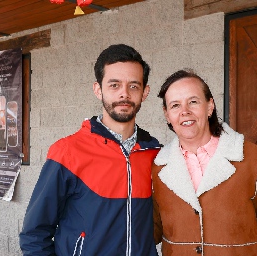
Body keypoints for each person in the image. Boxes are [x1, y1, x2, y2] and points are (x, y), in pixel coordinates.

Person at [19, 44, 161, 256]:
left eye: (133, 86)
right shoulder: (66, 152)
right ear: (98, 89)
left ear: (145, 92)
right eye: (114, 85)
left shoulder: (156, 155)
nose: (124, 94)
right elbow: (34, 234)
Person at [152, 69, 257, 255]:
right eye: (175, 106)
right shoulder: (158, 167)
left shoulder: (253, 159)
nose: (184, 112)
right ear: (167, 115)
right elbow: (149, 233)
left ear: (210, 106)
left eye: (193, 102)